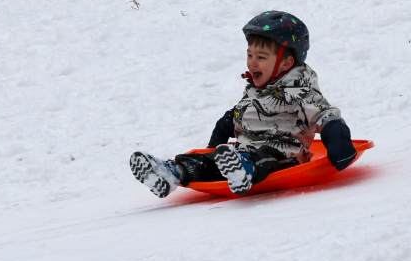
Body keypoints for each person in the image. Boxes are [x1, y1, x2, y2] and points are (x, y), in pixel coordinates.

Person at [129, 11, 358, 197]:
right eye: (249, 55)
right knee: (207, 162)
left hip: (285, 156)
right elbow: (240, 114)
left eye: (261, 57)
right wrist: (221, 134)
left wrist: (338, 140)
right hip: (241, 153)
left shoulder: (302, 92)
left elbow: (325, 115)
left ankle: (244, 169)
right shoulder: (256, 89)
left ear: (286, 63)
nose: (252, 63)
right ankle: (173, 172)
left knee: (265, 159)